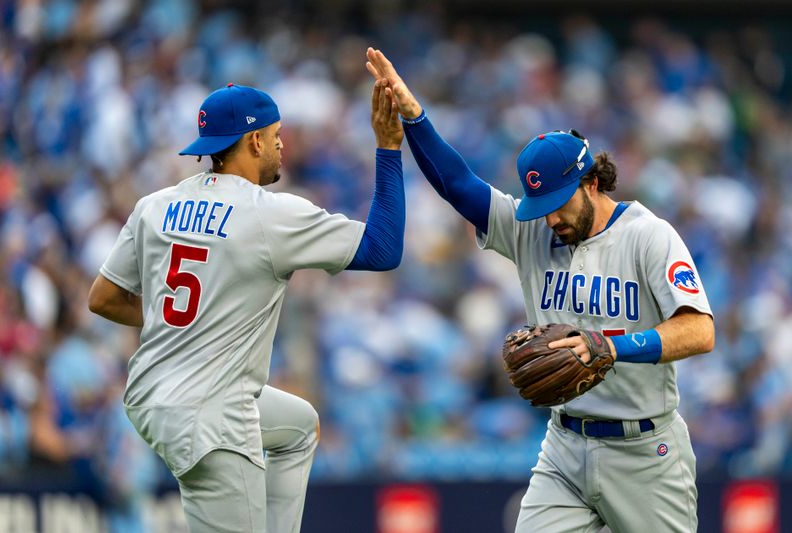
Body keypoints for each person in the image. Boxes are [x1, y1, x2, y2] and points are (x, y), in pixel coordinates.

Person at [366, 48, 715, 533]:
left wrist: (610, 348)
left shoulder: (648, 236)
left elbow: (699, 331)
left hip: (645, 452)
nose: (550, 218)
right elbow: (459, 185)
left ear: (592, 181)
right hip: (564, 447)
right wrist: (415, 117)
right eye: (540, 205)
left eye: (558, 202)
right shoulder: (534, 230)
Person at [88, 79, 405, 533]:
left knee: (298, 427)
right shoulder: (268, 213)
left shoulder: (155, 205)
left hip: (153, 393)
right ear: (254, 140)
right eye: (276, 136)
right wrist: (388, 148)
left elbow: (103, 297)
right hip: (210, 413)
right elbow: (384, 248)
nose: (281, 146)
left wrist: (184, 318)